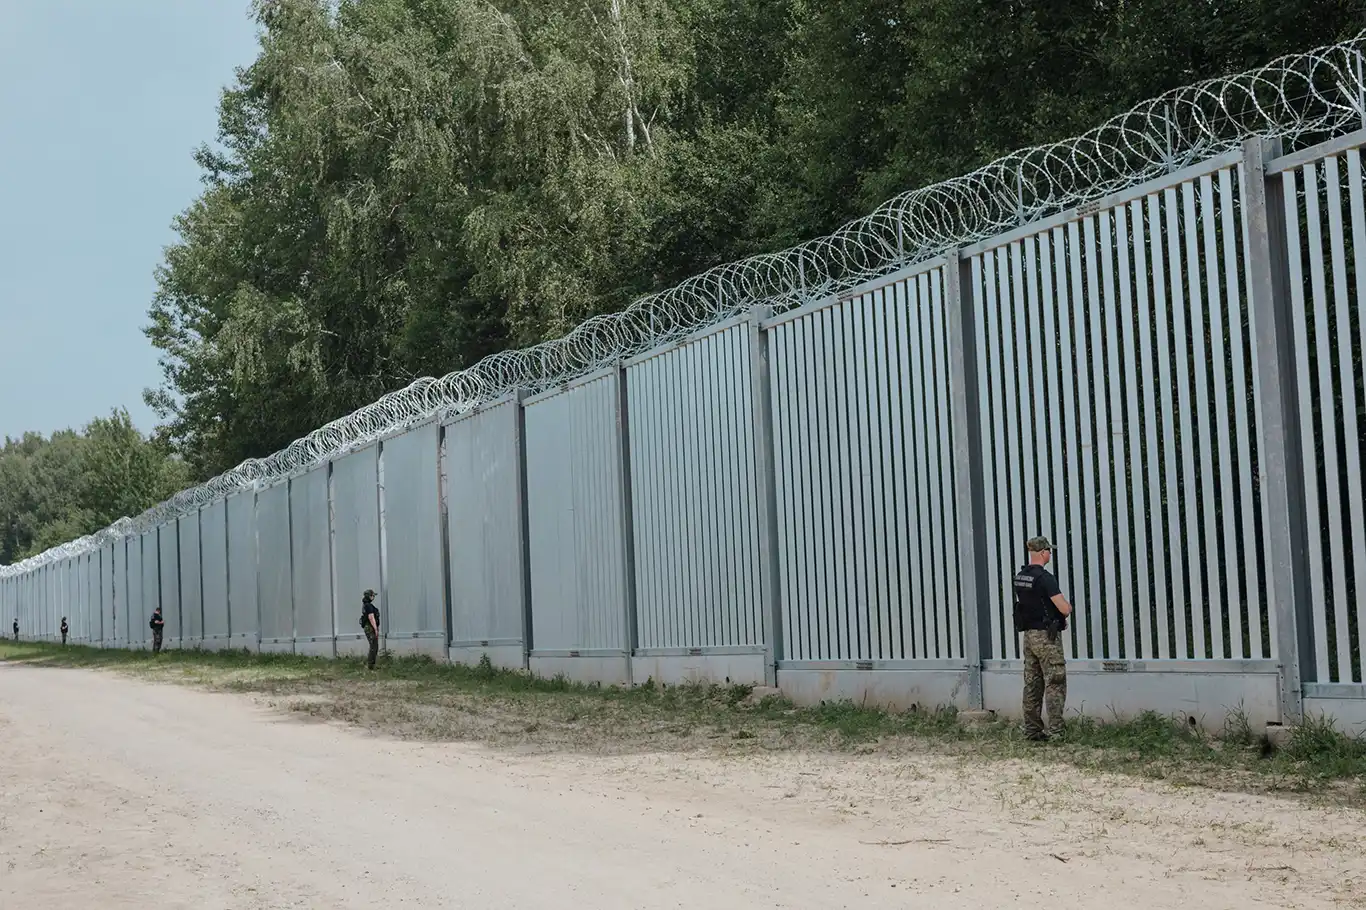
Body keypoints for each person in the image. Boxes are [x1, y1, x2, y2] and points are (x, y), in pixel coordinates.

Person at [1013, 536, 1074, 742]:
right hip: (1047, 637)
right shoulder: (1046, 578)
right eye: (1049, 551)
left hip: (1029, 637)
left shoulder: (1021, 577)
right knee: (1055, 681)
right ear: (1042, 553)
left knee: (1032, 683)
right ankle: (1056, 732)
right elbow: (1064, 609)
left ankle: (1032, 730)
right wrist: (1068, 608)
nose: (1050, 554)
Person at [360, 589, 380, 670]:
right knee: (373, 646)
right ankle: (370, 666)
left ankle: (371, 665)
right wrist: (375, 629)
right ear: (369, 596)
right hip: (370, 627)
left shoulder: (366, 605)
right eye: (372, 595)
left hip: (369, 627)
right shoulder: (368, 605)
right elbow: (371, 617)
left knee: (374, 645)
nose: (373, 597)